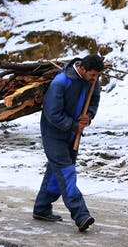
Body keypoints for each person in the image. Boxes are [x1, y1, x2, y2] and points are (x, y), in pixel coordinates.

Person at [33, 54, 104, 232]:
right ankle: (81, 215)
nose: (95, 79)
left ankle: (41, 208)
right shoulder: (61, 82)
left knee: (57, 170)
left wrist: (88, 117)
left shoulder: (93, 81)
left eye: (97, 76)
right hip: (53, 133)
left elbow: (94, 101)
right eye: (93, 75)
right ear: (82, 69)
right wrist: (74, 125)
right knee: (66, 172)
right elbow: (52, 113)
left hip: (73, 134)